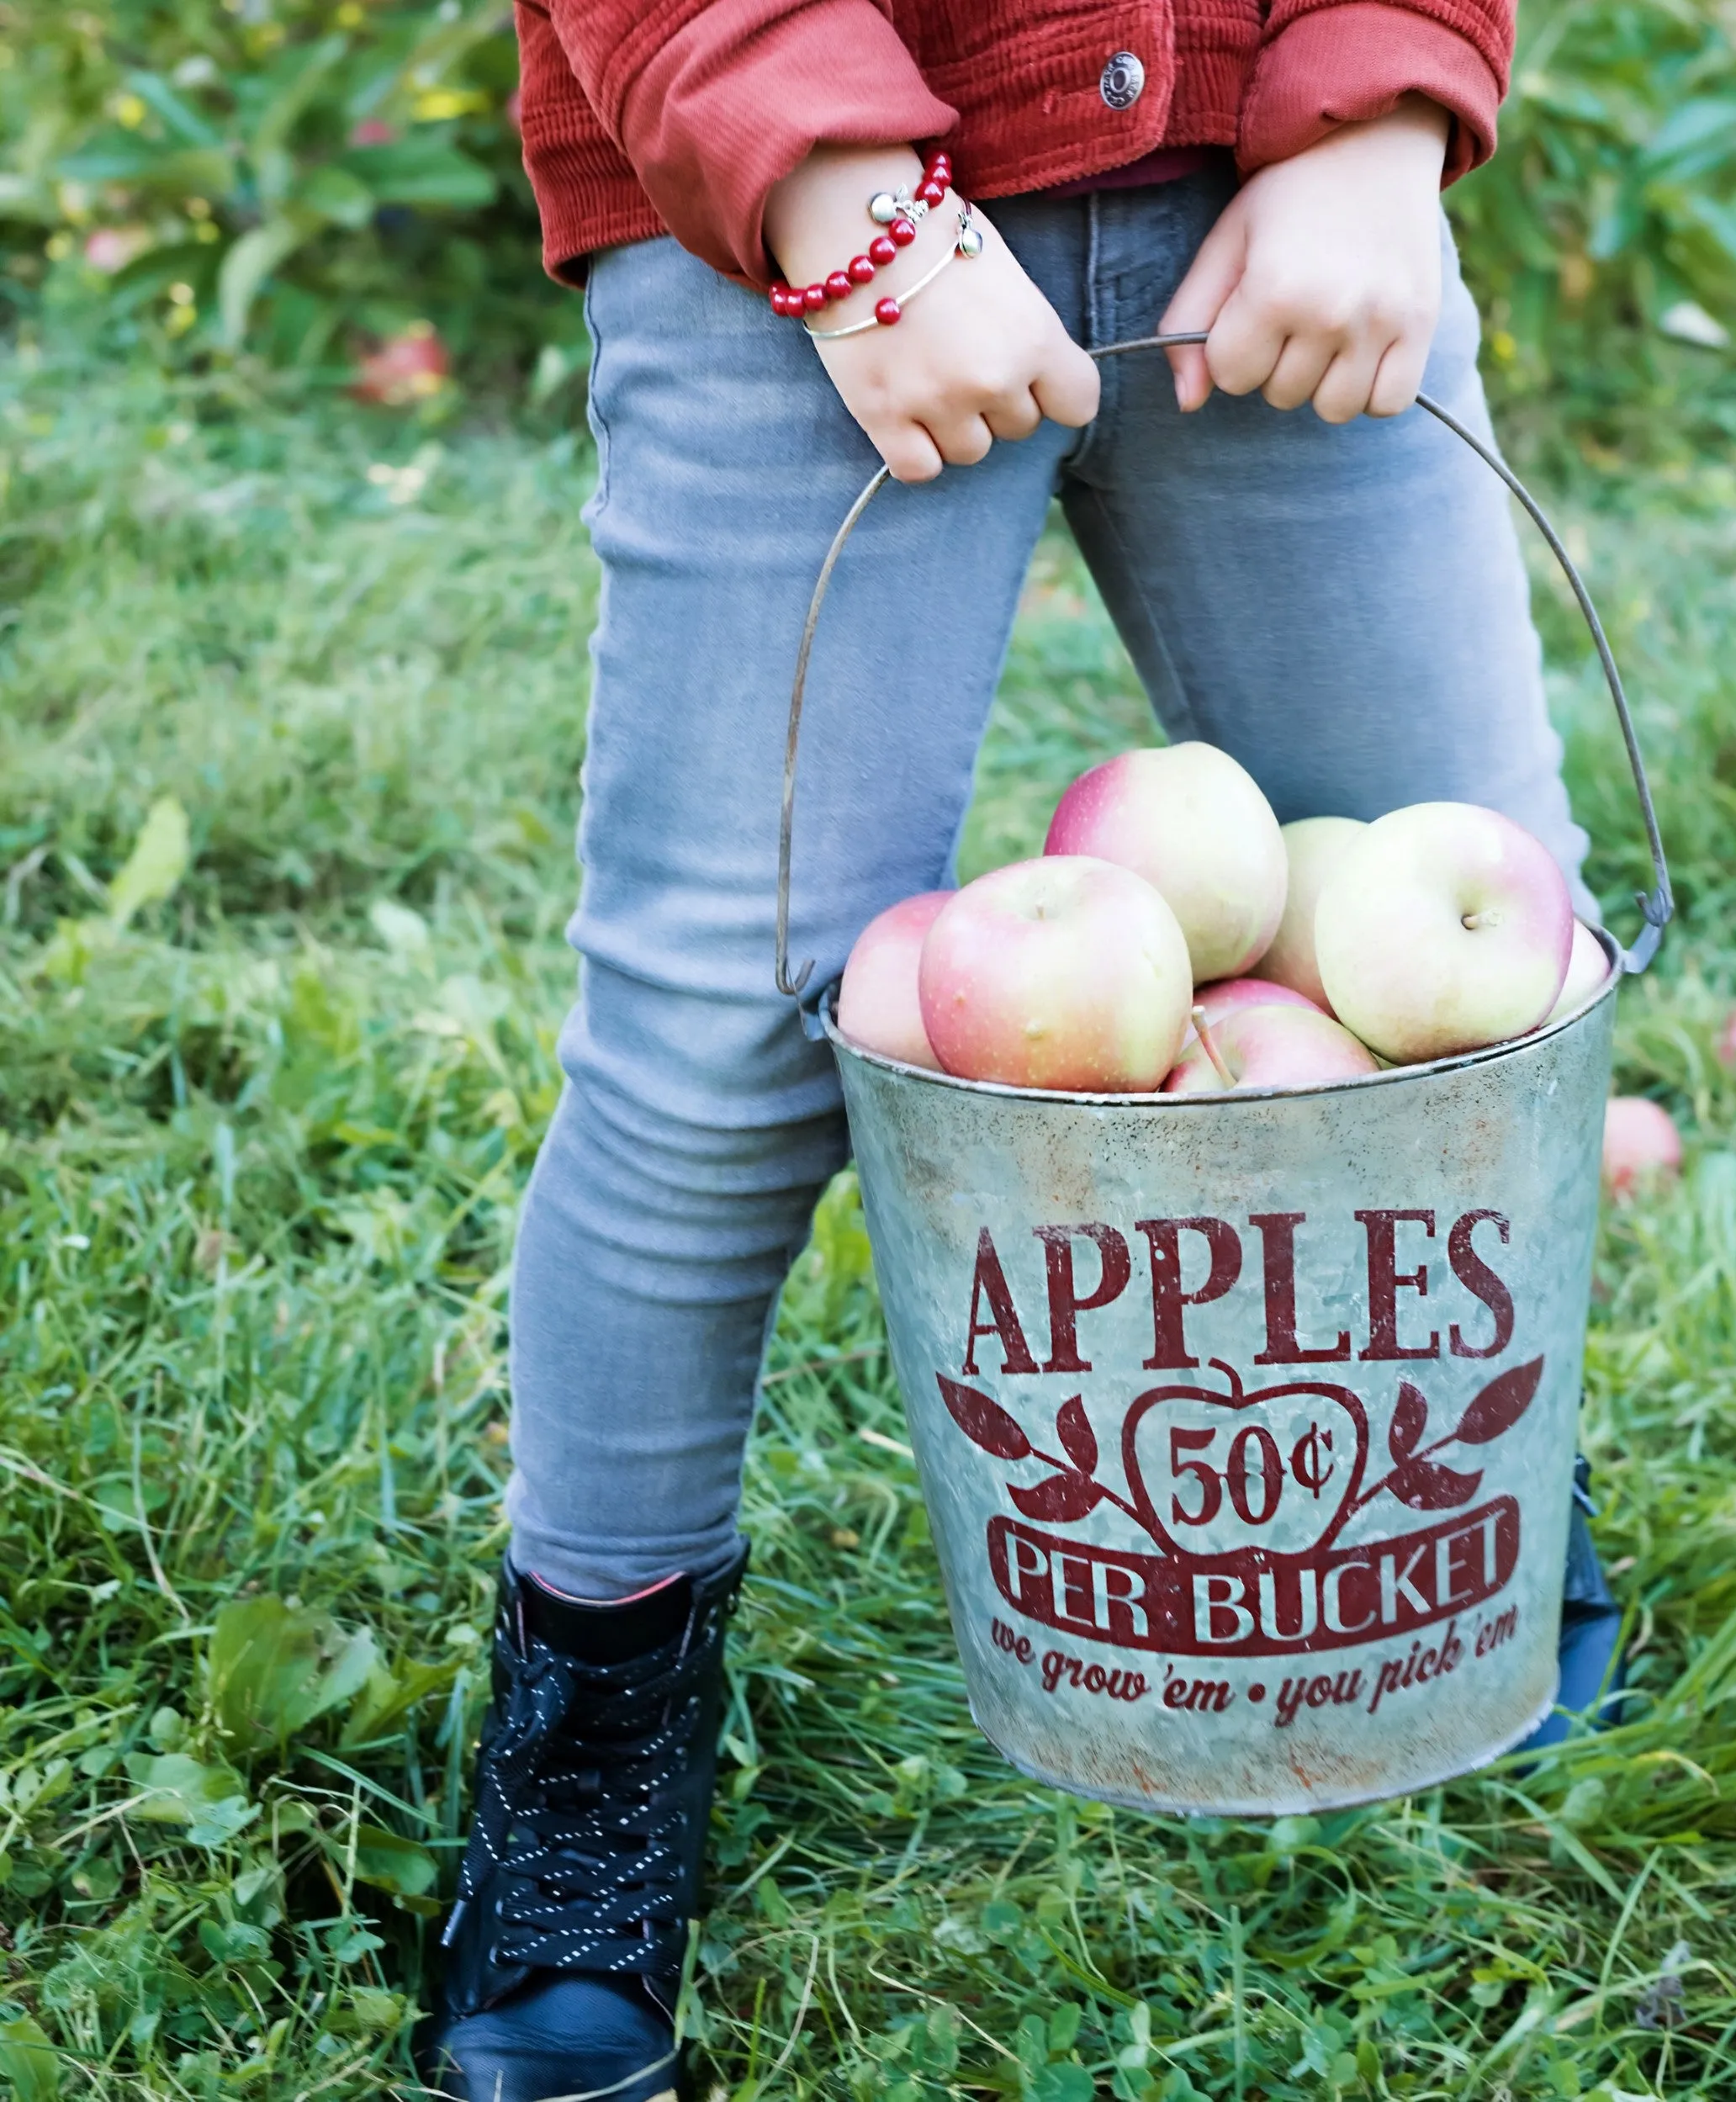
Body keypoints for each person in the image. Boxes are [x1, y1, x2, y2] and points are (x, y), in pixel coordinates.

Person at [417, 3, 1622, 2095]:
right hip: (786, 238)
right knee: (721, 1043)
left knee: (1460, 956)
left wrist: (1391, 97)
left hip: (1279, 188)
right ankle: (594, 1726)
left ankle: (1459, 1483)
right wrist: (823, 183)